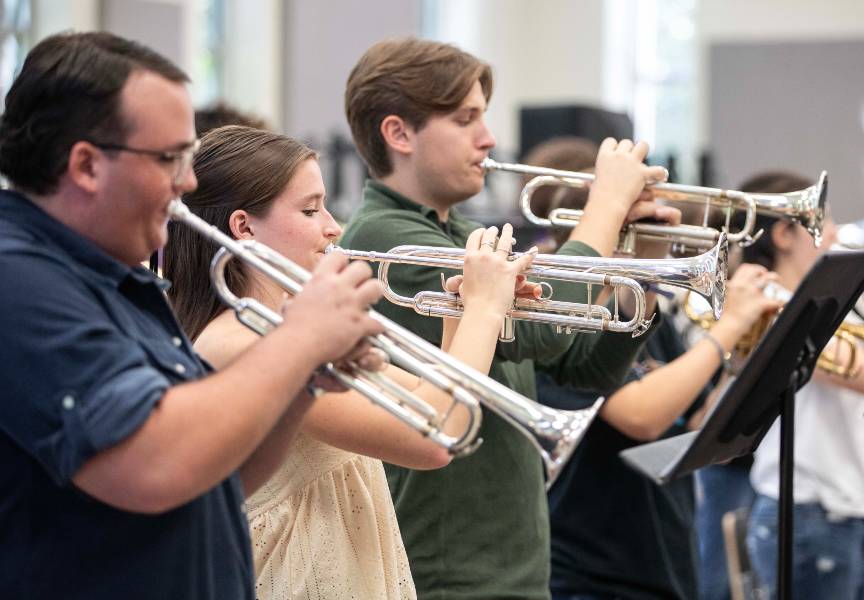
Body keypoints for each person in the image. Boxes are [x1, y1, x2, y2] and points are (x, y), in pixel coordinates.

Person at [0, 32, 382, 599]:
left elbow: (218, 476)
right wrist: (299, 340)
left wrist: (306, 379)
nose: (189, 182)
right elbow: (155, 464)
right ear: (85, 165)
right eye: (170, 157)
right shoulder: (18, 278)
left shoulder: (121, 278)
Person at [339, 37, 676, 600]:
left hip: (511, 562)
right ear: (398, 134)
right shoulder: (386, 240)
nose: (488, 138)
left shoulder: (462, 234)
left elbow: (578, 366)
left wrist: (639, 272)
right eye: (465, 119)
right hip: (451, 570)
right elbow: (543, 329)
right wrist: (605, 209)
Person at [165, 124, 536, 600]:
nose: (333, 227)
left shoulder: (287, 324)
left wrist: (460, 312)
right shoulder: (244, 341)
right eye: (309, 209)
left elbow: (427, 399)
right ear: (244, 227)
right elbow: (435, 435)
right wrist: (487, 307)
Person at [537, 178, 781, 600]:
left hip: (664, 553)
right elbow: (641, 417)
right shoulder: (562, 323)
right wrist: (729, 328)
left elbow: (700, 420)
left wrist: (742, 357)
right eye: (647, 221)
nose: (664, 231)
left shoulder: (650, 315)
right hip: (593, 571)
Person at [741, 172, 864, 600]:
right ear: (784, 233)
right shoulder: (770, 306)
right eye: (822, 221)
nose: (833, 233)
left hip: (841, 506)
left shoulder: (825, 301)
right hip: (807, 511)